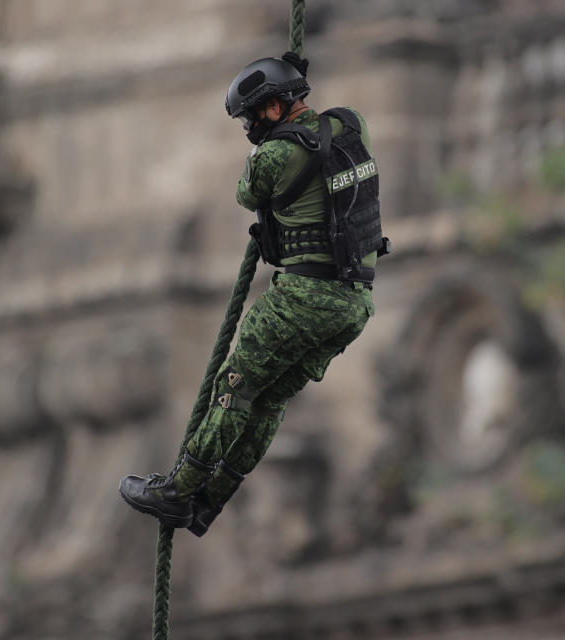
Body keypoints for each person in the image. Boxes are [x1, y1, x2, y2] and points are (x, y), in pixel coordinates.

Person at [119, 53, 388, 536]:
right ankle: (212, 502)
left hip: (303, 299)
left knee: (235, 389)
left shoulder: (272, 157)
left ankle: (180, 491)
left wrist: (268, 143)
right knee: (270, 400)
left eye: (250, 116)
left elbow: (247, 194)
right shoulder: (353, 126)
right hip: (354, 304)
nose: (248, 126)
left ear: (272, 108)